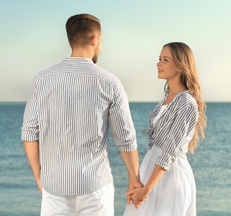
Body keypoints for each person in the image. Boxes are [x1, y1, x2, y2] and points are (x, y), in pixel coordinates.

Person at [21, 13, 141, 215]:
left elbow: (30, 132)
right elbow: (125, 138)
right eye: (101, 41)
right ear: (95, 40)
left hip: (54, 187)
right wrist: (134, 179)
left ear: (70, 39)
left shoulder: (42, 79)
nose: (101, 46)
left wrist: (38, 176)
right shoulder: (110, 82)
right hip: (95, 187)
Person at [124, 42, 207, 216]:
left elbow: (169, 150)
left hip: (170, 177)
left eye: (165, 59)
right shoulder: (167, 99)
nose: (158, 63)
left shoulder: (186, 103)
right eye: (159, 58)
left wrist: (147, 189)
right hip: (152, 172)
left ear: (180, 65)